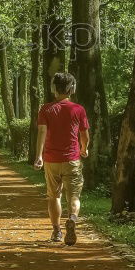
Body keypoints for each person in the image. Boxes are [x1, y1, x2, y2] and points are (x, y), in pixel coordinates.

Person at [34, 72, 89, 245]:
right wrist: (84, 149)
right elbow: (85, 135)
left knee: (54, 196)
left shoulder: (46, 109)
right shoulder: (78, 109)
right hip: (72, 159)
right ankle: (72, 218)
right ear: (72, 89)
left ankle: (57, 231)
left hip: (51, 159)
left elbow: (42, 132)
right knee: (74, 196)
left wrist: (38, 157)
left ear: (53, 89)